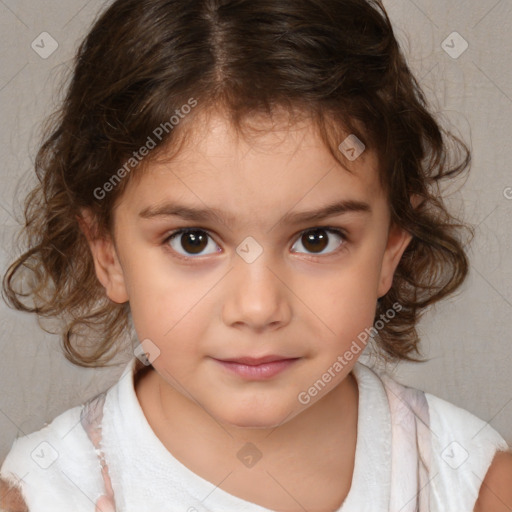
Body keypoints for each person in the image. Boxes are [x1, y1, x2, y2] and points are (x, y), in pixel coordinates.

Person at [1, 0, 511, 510]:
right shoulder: (41, 493)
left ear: (390, 249)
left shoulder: (475, 485)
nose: (258, 307)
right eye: (193, 240)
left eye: (317, 239)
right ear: (107, 253)